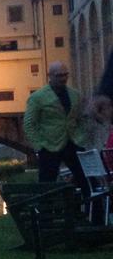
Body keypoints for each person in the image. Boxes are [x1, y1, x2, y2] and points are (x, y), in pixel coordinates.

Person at [23, 61, 88, 189]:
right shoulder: (38, 97)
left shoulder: (75, 95)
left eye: (65, 75)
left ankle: (92, 207)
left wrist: (82, 137)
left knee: (86, 180)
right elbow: (29, 123)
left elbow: (82, 118)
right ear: (50, 76)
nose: (63, 78)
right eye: (59, 76)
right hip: (49, 146)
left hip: (74, 142)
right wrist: (39, 145)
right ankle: (47, 208)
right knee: (47, 184)